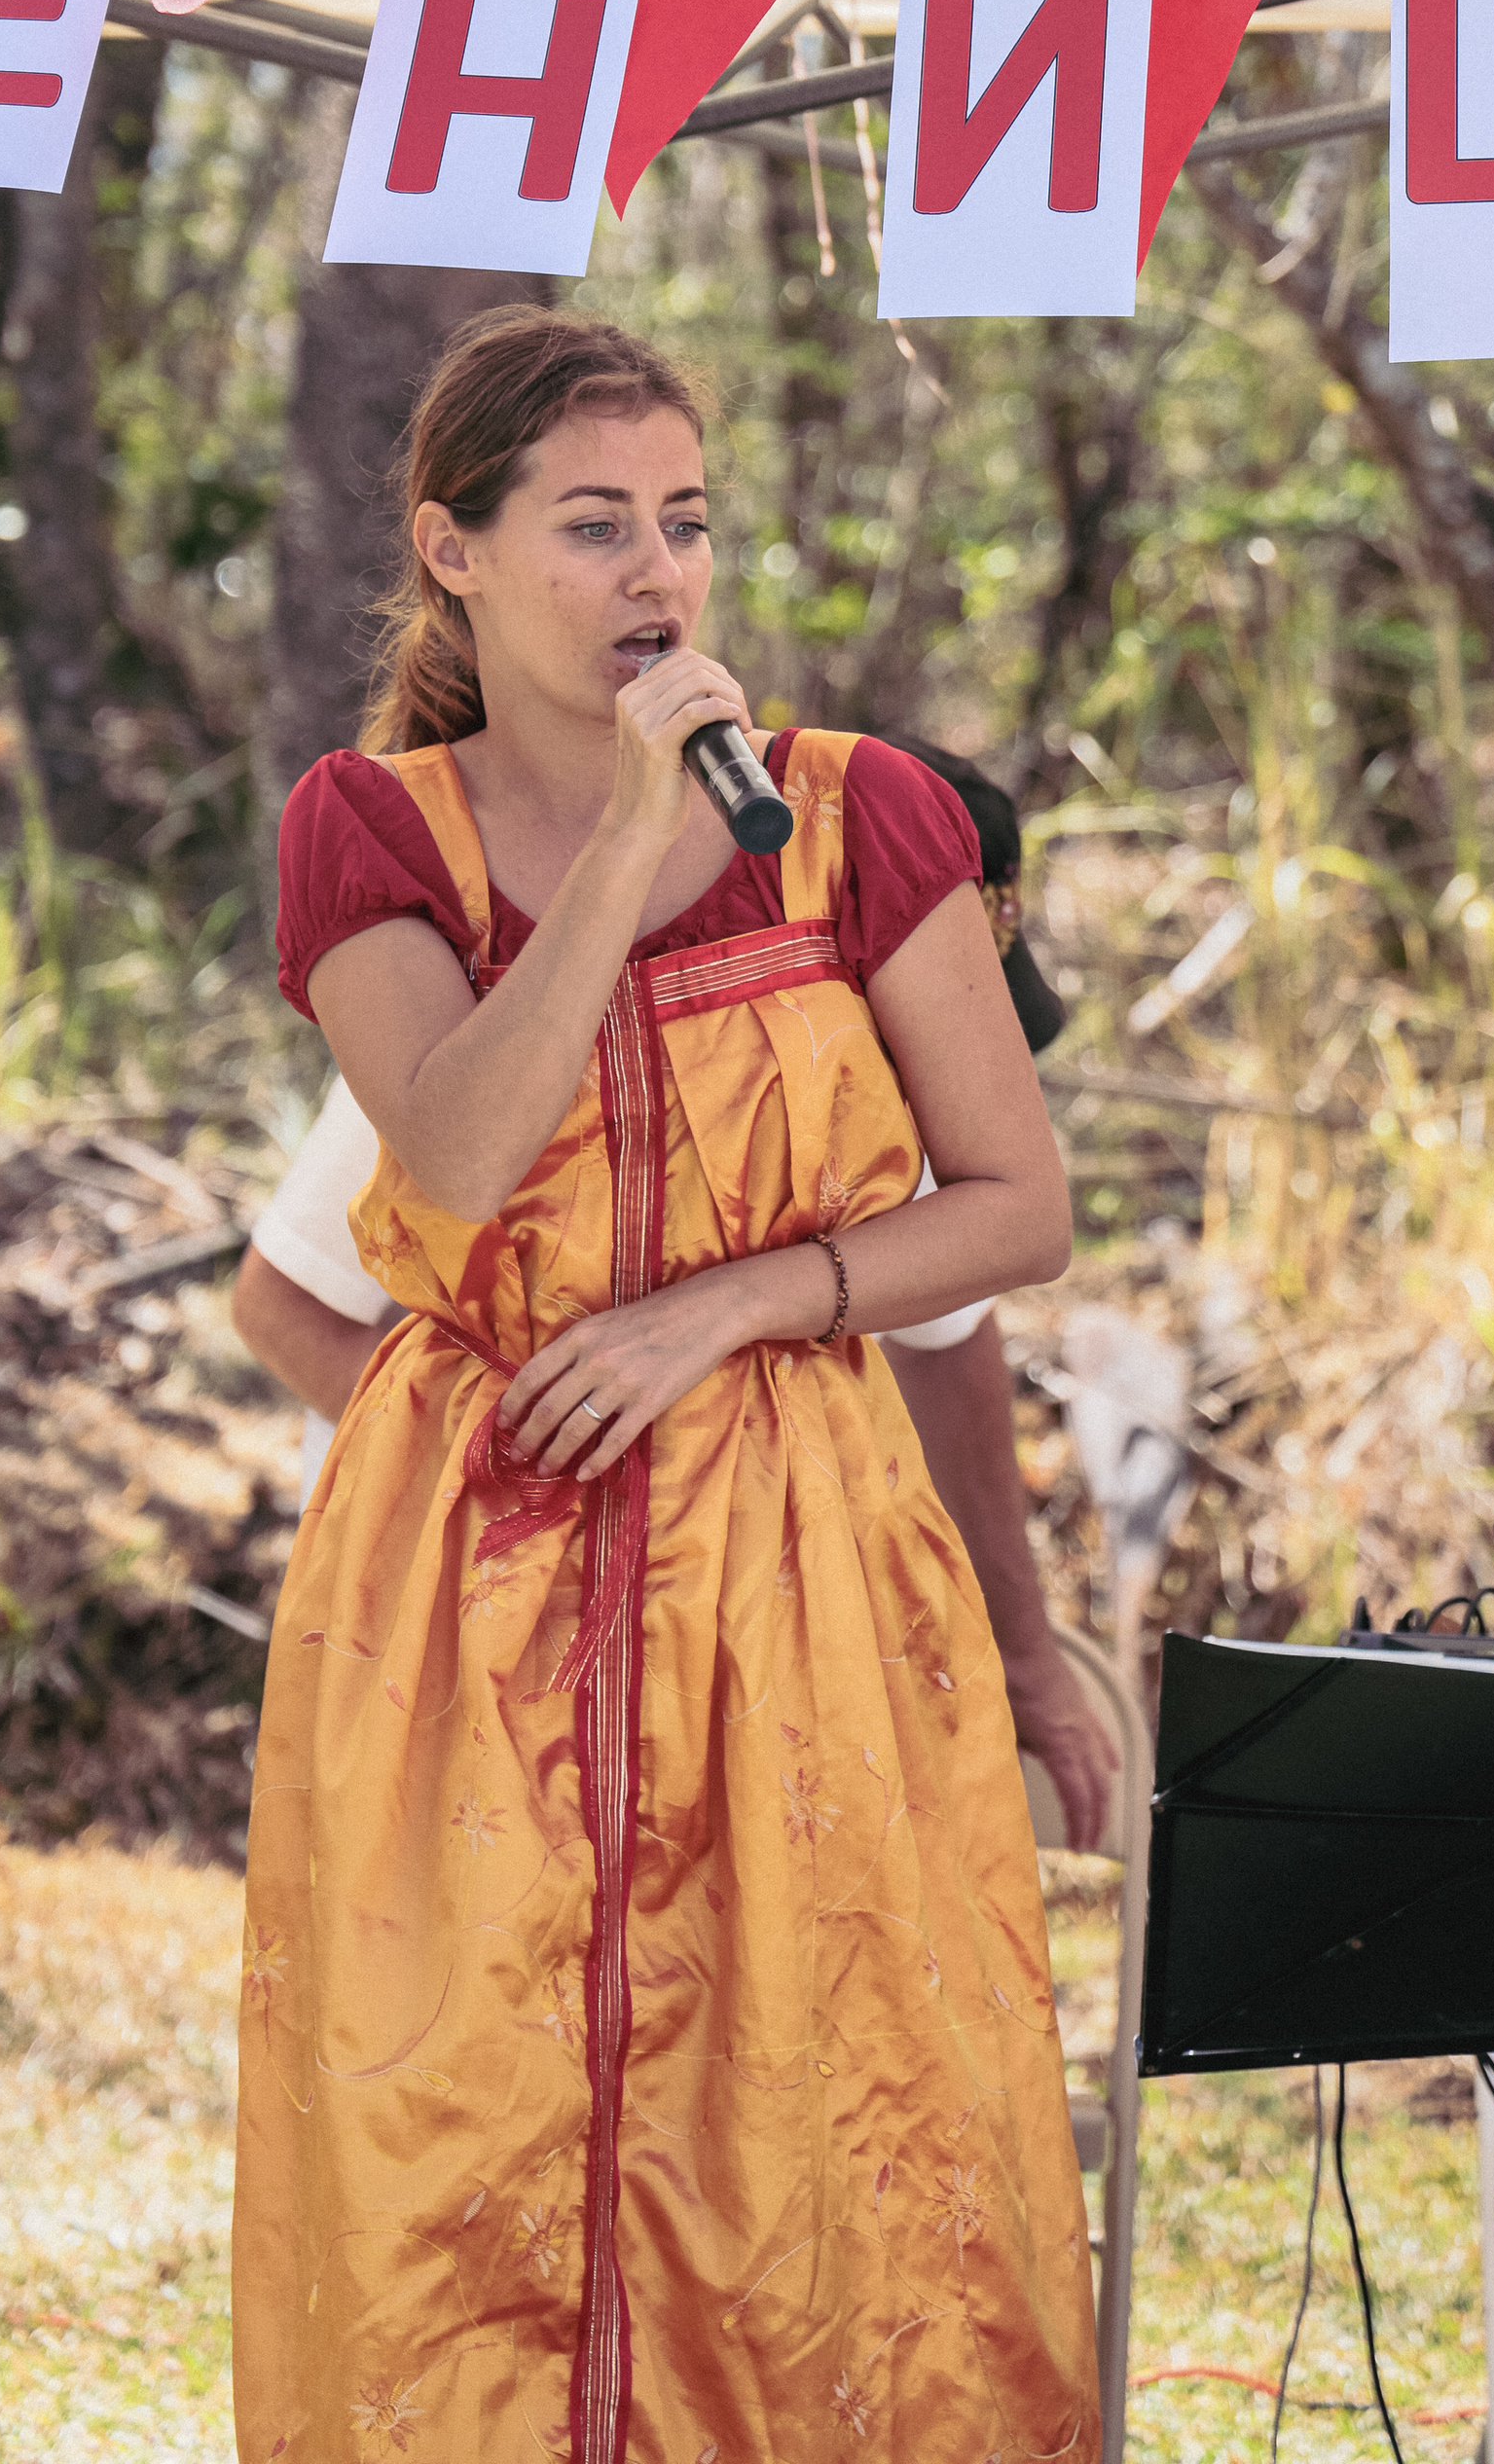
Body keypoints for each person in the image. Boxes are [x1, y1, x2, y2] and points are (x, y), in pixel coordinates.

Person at [233, 308, 1102, 2464]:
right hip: (462, 1598)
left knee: (819, 2109)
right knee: (463, 2125)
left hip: (794, 1553)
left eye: (687, 528)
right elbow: (446, 1152)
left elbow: (1010, 1209)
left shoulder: (861, 817)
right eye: (593, 525)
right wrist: (627, 840)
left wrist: (728, 1308)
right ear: (452, 550)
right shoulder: (366, 829)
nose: (654, 577)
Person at [234, 735, 1117, 1847]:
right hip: (462, 1605)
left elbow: (951, 1337)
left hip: (733, 1620)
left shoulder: (879, 1060)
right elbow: (283, 1303)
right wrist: (514, 1478)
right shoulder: (483, 1018)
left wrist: (1026, 1657)